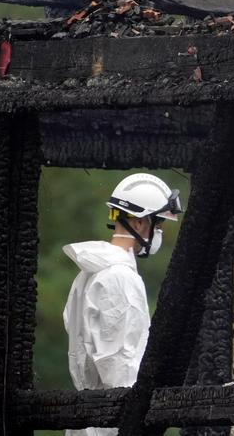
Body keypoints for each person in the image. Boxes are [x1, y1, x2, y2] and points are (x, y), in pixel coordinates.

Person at [62, 173, 182, 436]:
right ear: (139, 222)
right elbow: (122, 367)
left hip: (85, 419)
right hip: (112, 424)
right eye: (157, 224)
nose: (158, 232)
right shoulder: (120, 278)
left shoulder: (87, 274)